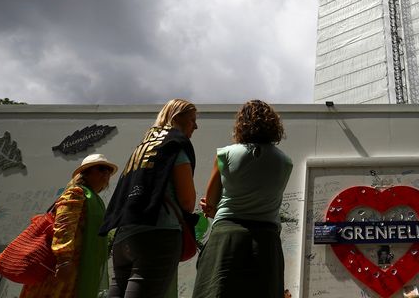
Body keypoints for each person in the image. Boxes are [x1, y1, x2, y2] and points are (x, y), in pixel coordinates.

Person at [192, 99, 293, 298]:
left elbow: (210, 203)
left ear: (241, 124)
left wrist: (212, 207)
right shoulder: (285, 162)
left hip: (227, 236)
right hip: (266, 240)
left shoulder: (226, 154)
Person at [100, 99, 198, 298]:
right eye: (192, 120)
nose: (196, 126)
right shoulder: (175, 144)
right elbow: (188, 202)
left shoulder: (143, 146)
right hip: (158, 235)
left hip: (123, 237)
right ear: (177, 118)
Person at [20, 153, 118, 298]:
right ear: (86, 173)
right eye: (101, 169)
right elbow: (64, 226)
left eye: (108, 171)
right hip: (63, 266)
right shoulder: (76, 193)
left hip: (79, 267)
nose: (106, 174)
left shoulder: (95, 199)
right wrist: (64, 259)